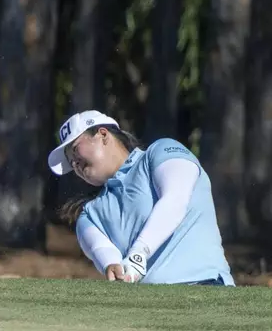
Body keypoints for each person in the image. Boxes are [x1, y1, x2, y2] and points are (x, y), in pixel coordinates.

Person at [47, 110, 235, 286]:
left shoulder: (161, 151)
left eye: (75, 149)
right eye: (70, 161)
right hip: (149, 308)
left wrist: (139, 252)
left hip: (207, 285)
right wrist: (116, 268)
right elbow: (106, 256)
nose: (74, 163)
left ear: (103, 135)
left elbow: (175, 199)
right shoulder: (89, 215)